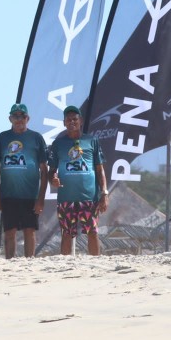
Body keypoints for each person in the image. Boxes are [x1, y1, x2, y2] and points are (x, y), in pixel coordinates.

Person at [48, 106, 109, 256]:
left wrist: (105, 193)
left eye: (75, 119)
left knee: (92, 232)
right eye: (68, 120)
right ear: (64, 123)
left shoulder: (91, 140)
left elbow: (100, 169)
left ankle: (96, 264)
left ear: (80, 121)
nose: (72, 122)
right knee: (66, 233)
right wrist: (53, 179)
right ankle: (65, 267)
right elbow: (51, 171)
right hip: (66, 197)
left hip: (89, 196)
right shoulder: (58, 144)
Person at [0, 103, 48, 259]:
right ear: (10, 118)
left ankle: (29, 262)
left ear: (28, 118)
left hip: (30, 194)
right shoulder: (2, 138)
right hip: (8, 193)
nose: (19, 119)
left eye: (22, 116)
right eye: (15, 116)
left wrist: (41, 198)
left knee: (29, 230)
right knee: (9, 231)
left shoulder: (36, 137)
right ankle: (10, 262)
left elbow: (44, 170)